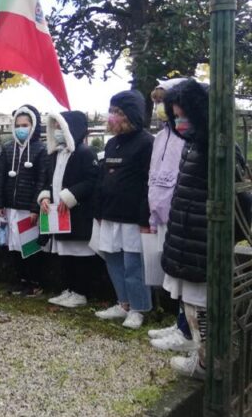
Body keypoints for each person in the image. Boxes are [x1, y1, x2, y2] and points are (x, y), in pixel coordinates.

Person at [160, 79, 211, 379]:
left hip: (200, 240)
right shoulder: (192, 145)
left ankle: (206, 362)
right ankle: (203, 358)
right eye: (175, 116)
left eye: (184, 116)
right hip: (187, 237)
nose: (179, 122)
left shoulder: (215, 146)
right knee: (191, 304)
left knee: (200, 305)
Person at [93, 90, 153, 329]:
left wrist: (145, 217)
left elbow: (149, 182)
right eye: (111, 111)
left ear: (131, 114)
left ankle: (139, 308)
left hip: (132, 217)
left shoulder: (146, 142)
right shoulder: (111, 143)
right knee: (113, 259)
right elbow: (101, 178)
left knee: (133, 264)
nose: (112, 117)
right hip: (109, 214)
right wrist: (98, 210)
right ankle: (123, 303)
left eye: (117, 112)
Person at [144, 80, 195, 353]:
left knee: (183, 274)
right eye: (158, 102)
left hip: (180, 212)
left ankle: (186, 328)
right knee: (173, 273)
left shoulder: (186, 135)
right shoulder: (162, 136)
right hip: (161, 210)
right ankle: (179, 323)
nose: (161, 108)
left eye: (165, 101)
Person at [39, 111, 100, 308]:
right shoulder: (56, 155)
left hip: (77, 213)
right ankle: (69, 288)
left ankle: (80, 292)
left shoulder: (84, 153)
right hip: (59, 214)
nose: (56, 131)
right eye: (54, 127)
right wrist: (46, 196)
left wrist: (70, 195)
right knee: (64, 255)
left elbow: (92, 181)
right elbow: (51, 181)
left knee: (79, 255)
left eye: (60, 127)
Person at [0, 105, 48, 297]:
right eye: (17, 125)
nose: (20, 128)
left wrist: (35, 208)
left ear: (33, 126)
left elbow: (42, 180)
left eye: (25, 125)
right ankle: (20, 280)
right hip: (10, 207)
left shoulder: (41, 149)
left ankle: (34, 283)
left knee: (30, 246)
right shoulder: (7, 148)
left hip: (28, 208)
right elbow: (0, 177)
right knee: (13, 245)